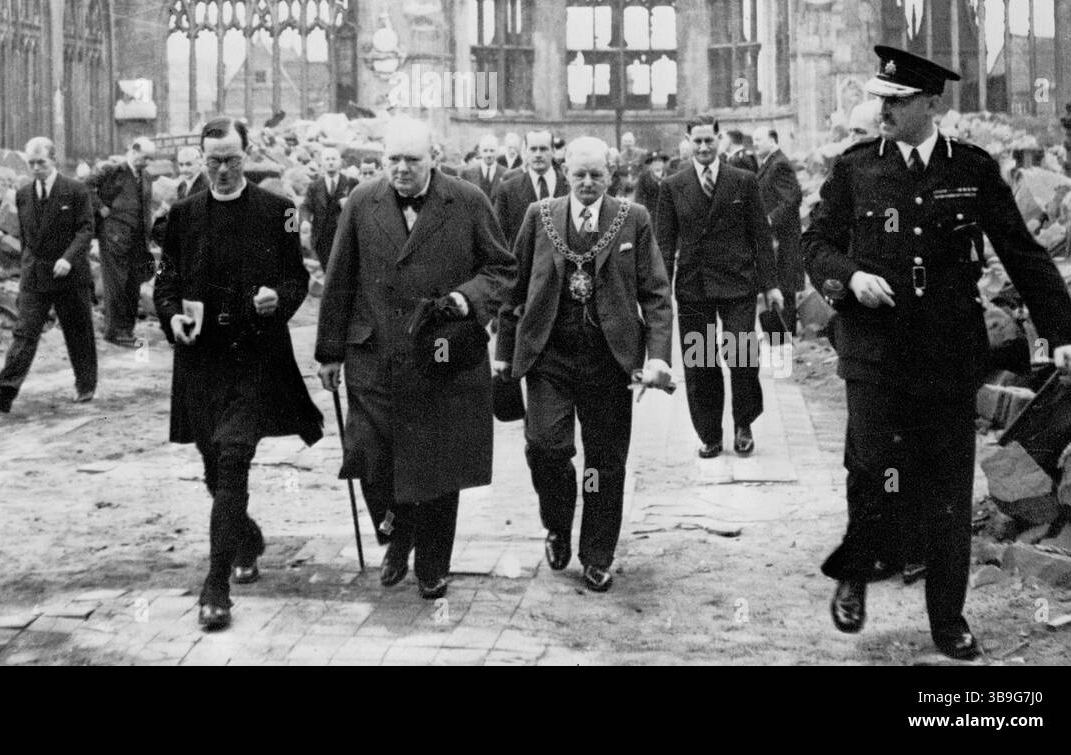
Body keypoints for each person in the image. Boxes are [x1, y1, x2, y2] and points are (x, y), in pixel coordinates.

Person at [802, 46, 1071, 661]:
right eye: (882, 99)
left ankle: (947, 618)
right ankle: (856, 571)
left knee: (948, 486)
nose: (886, 111)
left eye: (899, 101)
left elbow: (1024, 255)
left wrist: (1064, 333)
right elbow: (816, 243)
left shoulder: (973, 169)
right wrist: (850, 278)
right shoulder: (855, 170)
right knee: (872, 465)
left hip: (946, 354)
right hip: (874, 351)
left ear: (932, 104)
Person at [316, 116, 517, 600]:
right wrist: (329, 352)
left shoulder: (467, 201)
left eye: (413, 160)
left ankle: (432, 564)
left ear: (435, 158)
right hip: (375, 353)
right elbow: (340, 276)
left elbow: (502, 269)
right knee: (371, 459)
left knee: (437, 466)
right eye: (393, 160)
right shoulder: (363, 201)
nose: (402, 169)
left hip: (441, 355)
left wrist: (466, 300)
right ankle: (395, 530)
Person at [154, 116, 322, 633]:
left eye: (231, 160)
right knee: (212, 464)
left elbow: (298, 277)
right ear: (201, 161)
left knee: (233, 459)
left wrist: (280, 299)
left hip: (254, 356)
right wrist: (172, 317)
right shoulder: (180, 216)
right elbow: (165, 282)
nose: (223, 171)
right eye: (213, 161)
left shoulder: (280, 212)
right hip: (202, 361)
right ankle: (245, 538)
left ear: (246, 157)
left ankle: (215, 588)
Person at [496, 137, 673, 592]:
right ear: (565, 172)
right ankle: (556, 523)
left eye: (597, 174)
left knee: (604, 464)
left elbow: (655, 293)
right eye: (580, 174)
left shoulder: (633, 219)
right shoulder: (540, 217)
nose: (588, 183)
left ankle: (597, 554)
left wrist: (657, 358)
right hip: (548, 355)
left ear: (610, 175)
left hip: (609, 361)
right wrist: (502, 355)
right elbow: (514, 289)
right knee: (546, 446)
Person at [655, 115, 783, 458]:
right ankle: (710, 434)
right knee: (701, 363)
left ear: (719, 139)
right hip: (694, 286)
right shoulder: (672, 185)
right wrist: (660, 290)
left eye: (708, 141)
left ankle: (744, 423)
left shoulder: (743, 181)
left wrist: (770, 285)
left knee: (741, 357)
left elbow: (760, 236)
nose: (703, 148)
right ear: (687, 141)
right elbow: (664, 243)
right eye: (696, 142)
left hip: (738, 284)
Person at [0, 137, 98, 412]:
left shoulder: (75, 191)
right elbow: (26, 238)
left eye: (41, 163)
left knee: (77, 332)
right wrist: (26, 267)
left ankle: (85, 385)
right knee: (25, 332)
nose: (36, 168)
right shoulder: (23, 194)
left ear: (53, 161)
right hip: (36, 276)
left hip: (69, 276)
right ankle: (5, 390)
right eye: (31, 163)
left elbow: (86, 230)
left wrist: (69, 259)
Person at [88, 136, 156, 346]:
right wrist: (100, 207)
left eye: (149, 159)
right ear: (133, 150)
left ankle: (127, 329)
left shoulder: (145, 177)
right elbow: (86, 188)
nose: (146, 163)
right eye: (144, 158)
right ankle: (114, 332)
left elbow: (146, 208)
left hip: (137, 240)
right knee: (116, 284)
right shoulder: (112, 170)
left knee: (132, 285)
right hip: (114, 237)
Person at [752, 127, 804, 337]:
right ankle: (778, 339)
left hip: (783, 241)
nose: (754, 143)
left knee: (784, 289)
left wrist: (769, 220)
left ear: (772, 142)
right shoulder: (769, 164)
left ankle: (784, 341)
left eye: (758, 139)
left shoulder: (779, 164)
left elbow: (792, 199)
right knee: (775, 287)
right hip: (774, 240)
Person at [494, 131, 569, 245]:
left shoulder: (569, 185)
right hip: (524, 260)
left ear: (553, 151)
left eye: (543, 149)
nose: (538, 154)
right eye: (533, 149)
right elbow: (499, 235)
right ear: (525, 152)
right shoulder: (508, 189)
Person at [301, 146, 354, 269]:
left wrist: (348, 205)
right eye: (327, 159)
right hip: (321, 236)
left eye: (334, 159)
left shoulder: (351, 182)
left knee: (342, 268)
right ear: (322, 163)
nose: (330, 162)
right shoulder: (314, 186)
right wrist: (305, 221)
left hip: (343, 235)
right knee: (326, 268)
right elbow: (306, 206)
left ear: (340, 162)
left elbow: (359, 207)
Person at [153, 146, 209, 248]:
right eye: (181, 165)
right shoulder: (182, 186)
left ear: (200, 164)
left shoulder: (206, 186)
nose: (184, 169)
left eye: (189, 164)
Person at [461, 135, 504, 203]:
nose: (488, 154)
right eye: (485, 151)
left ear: (497, 152)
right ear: (480, 152)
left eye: (492, 151)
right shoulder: (467, 173)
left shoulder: (507, 174)